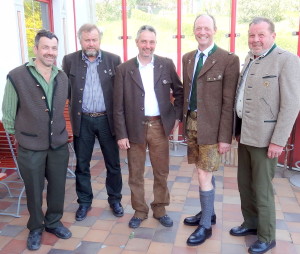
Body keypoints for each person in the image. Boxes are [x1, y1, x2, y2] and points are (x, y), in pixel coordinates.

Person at [230, 17, 300, 254]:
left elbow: (291, 105)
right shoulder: (250, 58)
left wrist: (278, 141)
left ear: (273, 35)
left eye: (261, 35)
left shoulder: (287, 60)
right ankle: (250, 223)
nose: (255, 40)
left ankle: (267, 236)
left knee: (262, 189)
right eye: (252, 35)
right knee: (244, 186)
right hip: (245, 136)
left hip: (266, 140)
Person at [2, 30, 71, 251]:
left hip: (58, 144)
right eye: (45, 47)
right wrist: (23, 136)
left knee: (58, 187)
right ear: (36, 49)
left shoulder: (62, 76)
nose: (50, 52)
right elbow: (8, 115)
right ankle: (35, 227)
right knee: (33, 188)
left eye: (53, 48)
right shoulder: (17, 76)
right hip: (31, 146)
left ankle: (53, 221)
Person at [113, 25, 183, 228]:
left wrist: (176, 117)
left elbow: (179, 92)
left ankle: (160, 209)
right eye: (144, 41)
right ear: (137, 42)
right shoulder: (124, 69)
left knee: (161, 171)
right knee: (136, 173)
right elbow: (117, 106)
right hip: (134, 127)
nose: (148, 46)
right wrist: (121, 134)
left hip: (159, 126)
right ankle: (140, 211)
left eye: (151, 42)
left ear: (155, 43)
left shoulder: (166, 64)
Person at [182, 14, 240, 246]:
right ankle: (209, 213)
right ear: (194, 30)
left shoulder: (228, 59)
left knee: (204, 174)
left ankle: (205, 225)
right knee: (201, 170)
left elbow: (229, 102)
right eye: (198, 28)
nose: (202, 32)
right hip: (192, 125)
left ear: (214, 29)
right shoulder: (188, 58)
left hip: (213, 129)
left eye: (207, 28)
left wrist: (225, 137)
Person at [62, 24, 123, 221]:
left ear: (99, 40)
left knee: (113, 163)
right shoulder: (70, 60)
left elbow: (120, 93)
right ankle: (84, 202)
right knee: (82, 164)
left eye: (94, 39)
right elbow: (65, 91)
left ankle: (115, 199)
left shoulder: (113, 60)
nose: (91, 43)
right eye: (87, 40)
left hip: (107, 120)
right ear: (80, 40)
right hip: (83, 120)